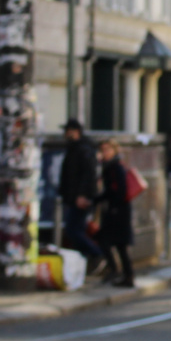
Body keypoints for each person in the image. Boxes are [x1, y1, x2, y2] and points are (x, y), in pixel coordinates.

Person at [57, 118, 104, 276]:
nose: (65, 134)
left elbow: (88, 174)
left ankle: (97, 253)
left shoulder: (83, 149)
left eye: (67, 130)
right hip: (74, 197)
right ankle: (84, 261)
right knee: (77, 229)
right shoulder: (76, 148)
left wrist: (83, 195)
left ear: (75, 131)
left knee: (73, 230)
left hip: (80, 198)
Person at [95, 139, 135, 287]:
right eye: (102, 150)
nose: (104, 153)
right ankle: (124, 274)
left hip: (118, 211)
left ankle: (120, 273)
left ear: (114, 150)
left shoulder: (115, 167)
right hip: (116, 209)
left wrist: (109, 204)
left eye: (107, 150)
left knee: (116, 243)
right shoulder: (110, 166)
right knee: (119, 244)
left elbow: (118, 190)